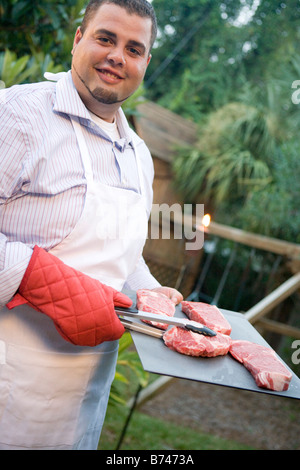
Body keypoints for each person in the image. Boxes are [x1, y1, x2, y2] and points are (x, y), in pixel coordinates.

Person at [0, 0, 183, 450]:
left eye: (134, 48)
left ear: (145, 62)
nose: (118, 55)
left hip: (81, 401)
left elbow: (120, 252)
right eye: (106, 38)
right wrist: (39, 277)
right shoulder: (17, 115)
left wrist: (149, 292)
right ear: (78, 39)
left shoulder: (138, 154)